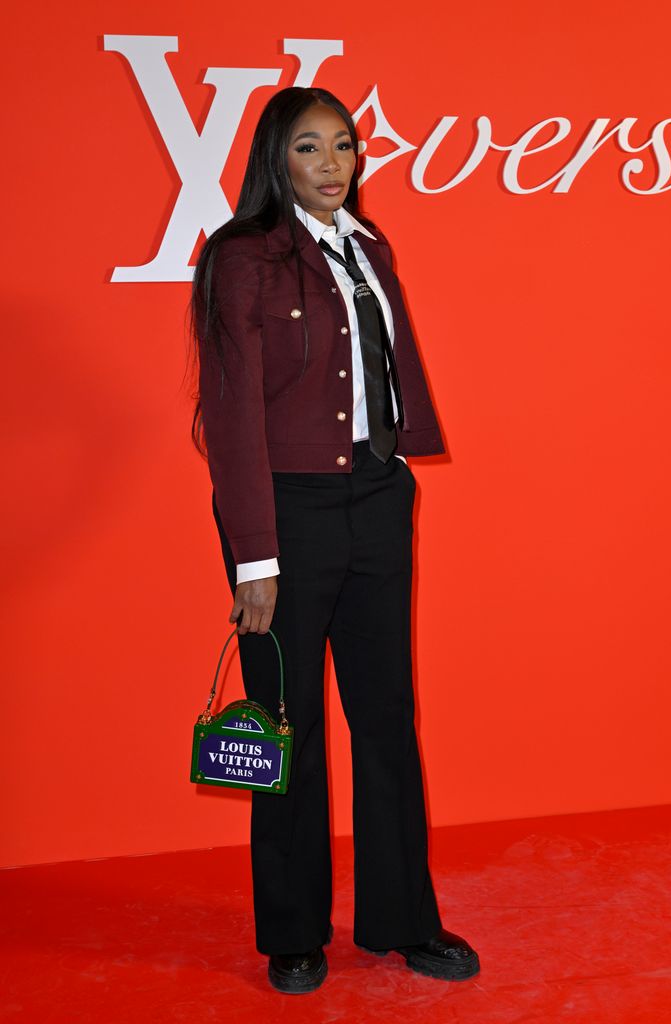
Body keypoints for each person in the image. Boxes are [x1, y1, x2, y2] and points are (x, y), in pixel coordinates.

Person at [189, 86, 481, 994]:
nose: (332, 165)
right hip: (286, 514)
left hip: (378, 501)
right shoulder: (243, 257)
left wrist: (388, 482)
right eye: (310, 149)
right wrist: (256, 560)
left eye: (345, 147)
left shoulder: (367, 245)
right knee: (291, 727)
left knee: (387, 719)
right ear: (276, 159)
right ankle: (292, 931)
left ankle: (402, 919)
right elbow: (232, 420)